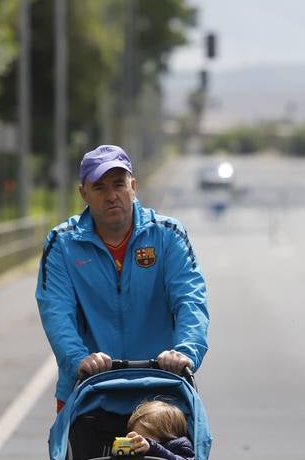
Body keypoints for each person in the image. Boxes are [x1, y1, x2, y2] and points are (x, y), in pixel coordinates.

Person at [36, 143, 209, 410]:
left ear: (133, 187)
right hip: (89, 390)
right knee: (76, 452)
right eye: (99, 187)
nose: (111, 195)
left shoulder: (168, 234)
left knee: (180, 452)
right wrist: (79, 359)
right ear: (84, 193)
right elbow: (56, 312)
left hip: (160, 391)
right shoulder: (62, 243)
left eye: (118, 184)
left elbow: (190, 299)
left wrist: (185, 352)